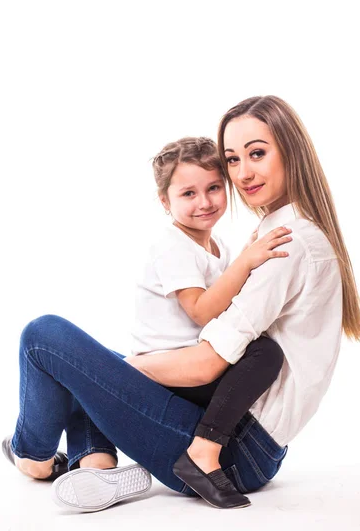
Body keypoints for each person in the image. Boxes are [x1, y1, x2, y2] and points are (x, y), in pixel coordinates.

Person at [2, 95, 360, 514]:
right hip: (247, 442)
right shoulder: (279, 230)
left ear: (291, 150)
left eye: (257, 153)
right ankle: (98, 465)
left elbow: (207, 364)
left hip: (227, 449)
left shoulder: (284, 244)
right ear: (167, 200)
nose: (243, 173)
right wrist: (110, 370)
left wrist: (121, 369)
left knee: (43, 336)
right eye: (232, 159)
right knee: (89, 367)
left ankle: (31, 455)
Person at [128, 136, 293, 507]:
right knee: (264, 354)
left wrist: (247, 256)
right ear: (164, 201)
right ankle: (201, 455)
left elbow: (230, 304)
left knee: (261, 351)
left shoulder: (216, 245)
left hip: (197, 359)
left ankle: (194, 449)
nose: (204, 202)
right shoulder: (173, 245)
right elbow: (201, 310)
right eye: (188, 193)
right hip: (168, 366)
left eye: (214, 188)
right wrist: (246, 261)